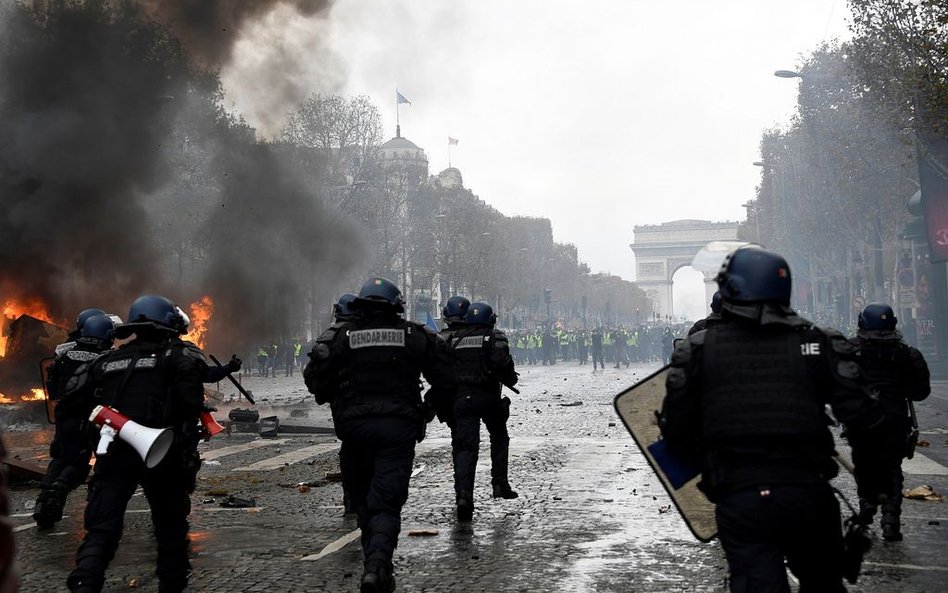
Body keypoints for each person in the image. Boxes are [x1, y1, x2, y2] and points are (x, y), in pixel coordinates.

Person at [659, 246, 884, 593]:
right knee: (824, 583)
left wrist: (709, 466)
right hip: (807, 490)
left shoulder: (699, 349)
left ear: (730, 287)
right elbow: (866, 419)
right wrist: (874, 485)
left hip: (740, 493)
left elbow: (675, 433)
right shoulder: (818, 342)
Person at [304, 278, 455, 593]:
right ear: (397, 306)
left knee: (362, 502)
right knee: (386, 503)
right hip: (398, 430)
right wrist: (425, 411)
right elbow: (446, 380)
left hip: (354, 430)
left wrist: (340, 400)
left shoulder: (339, 337)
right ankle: (376, 568)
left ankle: (373, 562)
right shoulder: (414, 335)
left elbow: (317, 384)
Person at [65, 295, 208, 593]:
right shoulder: (179, 357)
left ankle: (84, 583)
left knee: (101, 531)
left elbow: (71, 399)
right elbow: (191, 403)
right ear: (168, 324)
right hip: (164, 455)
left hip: (115, 453)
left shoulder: (106, 361)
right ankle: (172, 586)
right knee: (170, 529)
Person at [847, 303, 930, 541]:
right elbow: (920, 392)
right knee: (893, 469)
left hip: (861, 419)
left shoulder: (850, 350)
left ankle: (867, 505)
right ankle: (891, 522)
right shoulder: (908, 354)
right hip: (895, 420)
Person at [34, 313, 116, 529]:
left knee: (61, 458)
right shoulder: (107, 358)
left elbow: (53, 389)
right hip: (93, 418)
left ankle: (44, 501)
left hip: (64, 416)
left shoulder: (63, 354)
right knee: (90, 464)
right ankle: (66, 492)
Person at [446, 301, 519, 522]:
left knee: (465, 448)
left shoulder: (454, 340)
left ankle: (463, 495)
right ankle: (499, 483)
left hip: (462, 399)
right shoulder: (495, 337)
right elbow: (503, 365)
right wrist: (511, 379)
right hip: (488, 397)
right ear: (491, 319)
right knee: (499, 437)